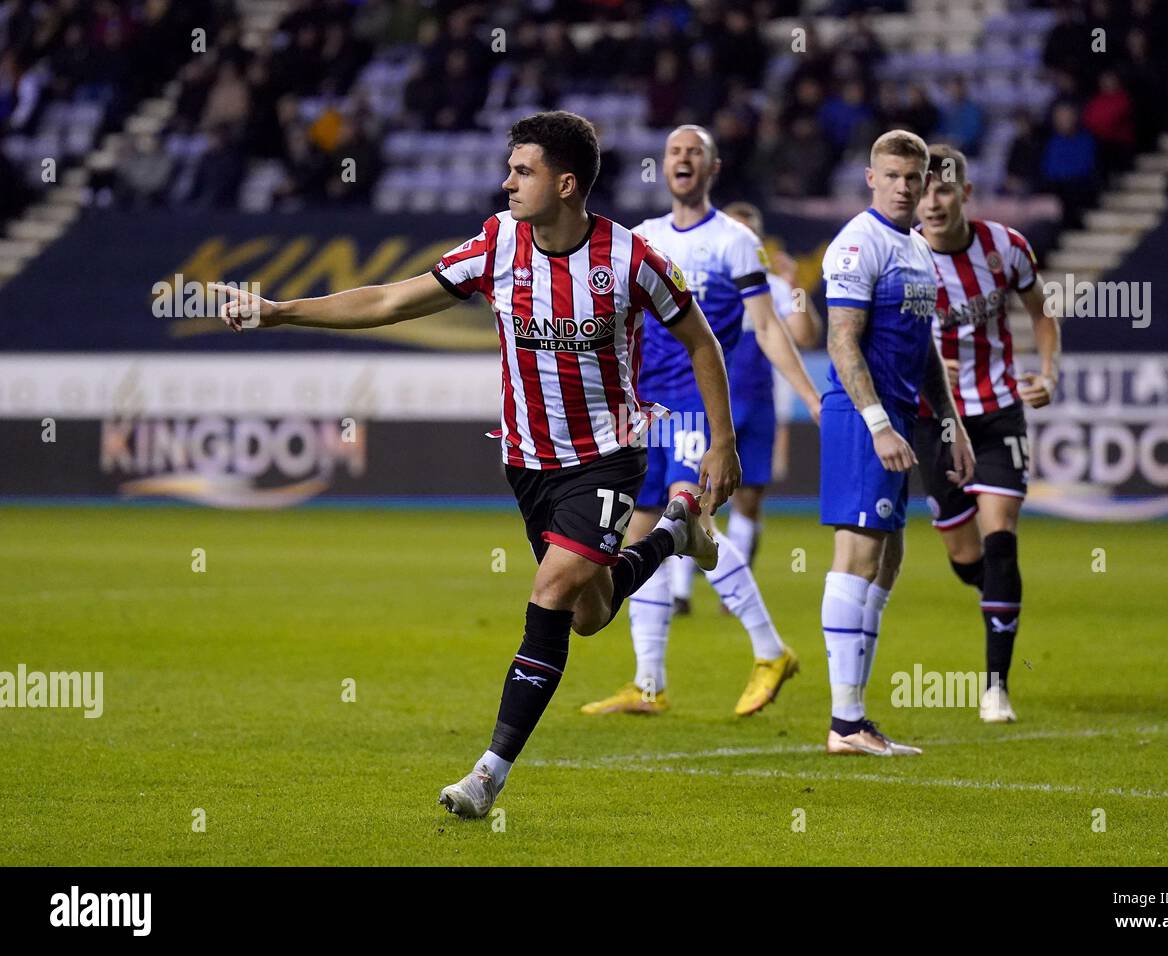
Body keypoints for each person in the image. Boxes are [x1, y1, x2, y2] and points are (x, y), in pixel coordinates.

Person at [213, 111, 741, 818]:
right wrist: (281, 313)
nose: (507, 181)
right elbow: (394, 298)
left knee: (551, 592)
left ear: (566, 183)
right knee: (590, 613)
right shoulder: (498, 243)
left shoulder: (630, 257)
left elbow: (701, 341)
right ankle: (677, 531)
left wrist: (722, 442)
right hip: (527, 464)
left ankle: (488, 775)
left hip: (610, 457)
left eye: (522, 171)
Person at [580, 125, 822, 719]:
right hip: (646, 409)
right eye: (674, 153)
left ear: (712, 169)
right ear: (663, 168)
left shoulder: (736, 241)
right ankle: (648, 684)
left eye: (695, 153)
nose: (682, 160)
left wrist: (814, 399)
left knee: (692, 522)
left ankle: (771, 651)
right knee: (640, 536)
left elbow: (767, 328)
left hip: (696, 406)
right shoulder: (640, 238)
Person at [819, 129, 974, 756]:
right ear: (871, 178)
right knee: (857, 554)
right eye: (895, 175)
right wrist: (879, 424)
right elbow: (841, 339)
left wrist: (951, 422)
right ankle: (844, 723)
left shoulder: (916, 248)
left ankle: (855, 718)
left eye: (916, 177)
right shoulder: (859, 243)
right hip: (863, 420)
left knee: (888, 558)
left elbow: (926, 347)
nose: (907, 187)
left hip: (900, 419)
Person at [915, 144, 1062, 723]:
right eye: (924, 190)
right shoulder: (899, 258)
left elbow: (1041, 314)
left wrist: (1048, 373)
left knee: (1001, 538)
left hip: (999, 413)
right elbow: (871, 340)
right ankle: (998, 595)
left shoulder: (1007, 247)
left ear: (965, 194)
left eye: (944, 189)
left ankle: (996, 686)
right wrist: (922, 368)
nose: (932, 201)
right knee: (965, 557)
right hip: (936, 422)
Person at [668, 200, 822, 615]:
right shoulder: (701, 284)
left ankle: (728, 592)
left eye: (749, 233)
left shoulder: (769, 285)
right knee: (693, 493)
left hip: (759, 405)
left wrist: (796, 290)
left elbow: (805, 336)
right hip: (705, 404)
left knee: (749, 498)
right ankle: (681, 591)